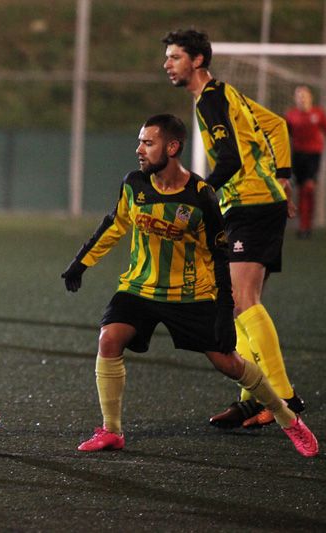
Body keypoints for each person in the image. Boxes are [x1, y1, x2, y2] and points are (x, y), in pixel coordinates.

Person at [61, 114, 317, 457]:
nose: (139, 149)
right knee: (109, 339)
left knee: (229, 363)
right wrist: (80, 263)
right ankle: (112, 431)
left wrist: (225, 313)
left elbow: (220, 256)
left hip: (190, 296)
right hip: (139, 288)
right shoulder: (134, 183)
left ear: (172, 147)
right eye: (139, 141)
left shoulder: (201, 196)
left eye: (147, 143)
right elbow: (115, 224)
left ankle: (289, 419)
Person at [162, 29, 305, 429]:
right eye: (168, 57)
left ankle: (283, 396)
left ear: (197, 61)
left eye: (175, 57)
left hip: (250, 205)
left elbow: (231, 158)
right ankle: (254, 400)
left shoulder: (210, 101)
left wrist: (197, 192)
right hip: (260, 201)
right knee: (239, 304)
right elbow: (276, 124)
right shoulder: (226, 93)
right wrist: (283, 178)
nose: (167, 64)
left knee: (241, 302)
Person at [285, 85, 326, 239]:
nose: (302, 98)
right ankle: (302, 224)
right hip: (297, 156)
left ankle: (306, 226)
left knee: (308, 189)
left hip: (313, 156)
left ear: (310, 97)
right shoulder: (291, 115)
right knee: (295, 189)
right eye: (299, 95)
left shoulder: (318, 114)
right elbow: (283, 134)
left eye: (304, 95)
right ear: (295, 98)